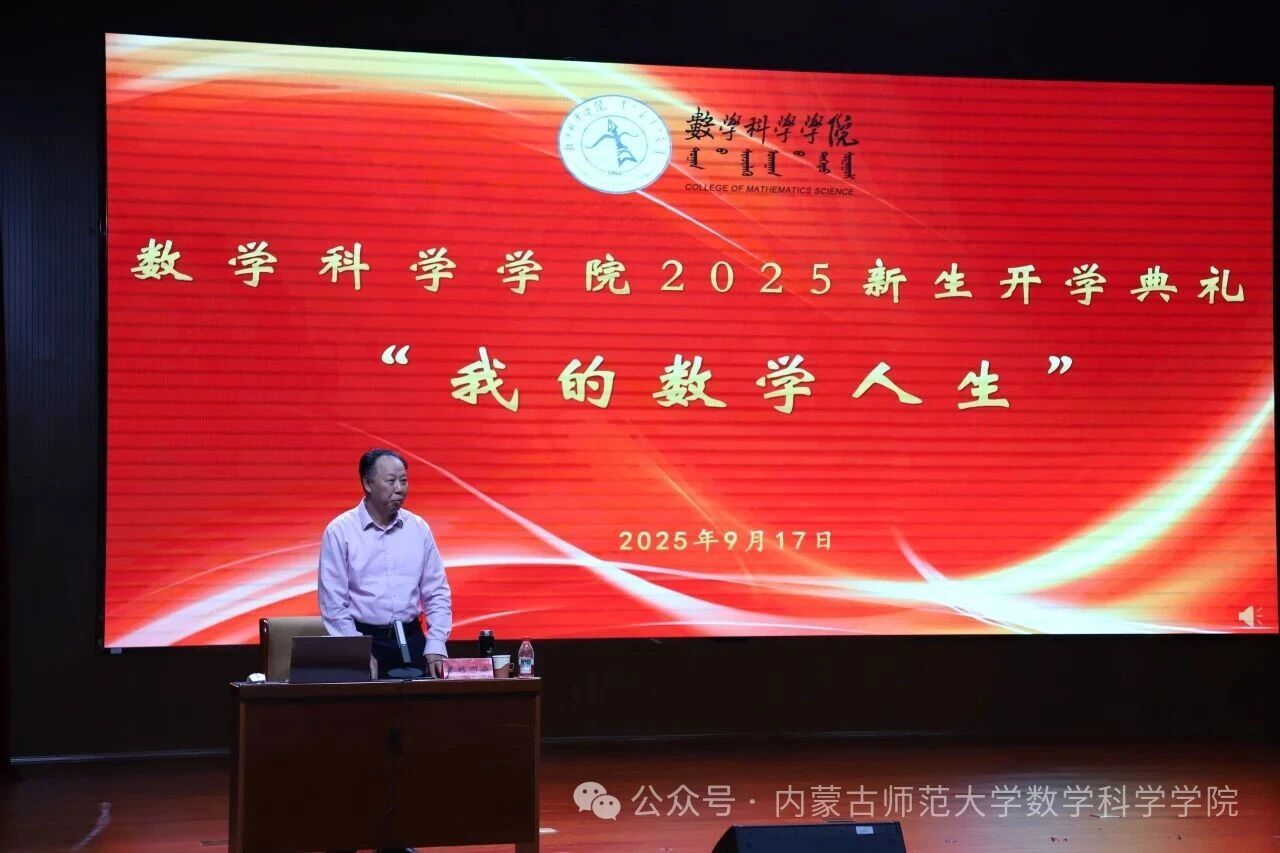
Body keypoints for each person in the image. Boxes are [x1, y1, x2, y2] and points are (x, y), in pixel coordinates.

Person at [318, 448, 452, 679]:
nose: (399, 488)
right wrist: (356, 650)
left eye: (404, 481)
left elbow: (437, 593)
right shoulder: (340, 531)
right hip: (364, 640)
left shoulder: (418, 528)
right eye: (391, 481)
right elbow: (333, 603)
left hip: (412, 639)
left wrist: (436, 643)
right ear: (368, 483)